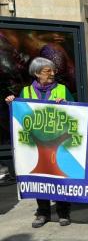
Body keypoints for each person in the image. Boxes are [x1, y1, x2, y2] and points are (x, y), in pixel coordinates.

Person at [4, 57, 74, 228]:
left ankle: (63, 211)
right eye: (47, 70)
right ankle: (43, 212)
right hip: (35, 144)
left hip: (58, 142)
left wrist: (65, 104)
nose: (52, 73)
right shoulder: (26, 92)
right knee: (39, 177)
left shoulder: (62, 89)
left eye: (53, 70)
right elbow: (19, 115)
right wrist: (12, 103)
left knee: (60, 176)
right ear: (36, 73)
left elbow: (76, 110)